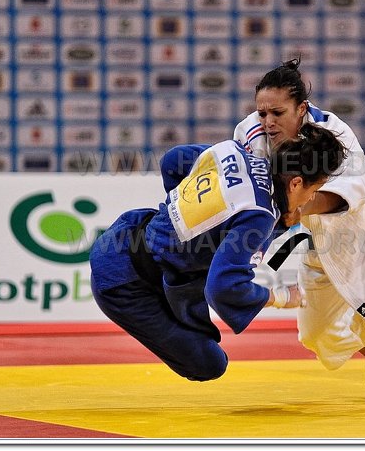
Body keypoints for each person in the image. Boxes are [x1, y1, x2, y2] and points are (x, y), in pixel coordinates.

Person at [89, 124, 347, 382]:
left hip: (127, 230)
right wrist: (281, 297)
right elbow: (223, 288)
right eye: (312, 192)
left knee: (217, 255)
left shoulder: (236, 153)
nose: (309, 201)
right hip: (122, 283)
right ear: (296, 183)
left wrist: (183, 212)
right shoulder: (260, 216)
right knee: (209, 364)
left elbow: (172, 161)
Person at [234, 58, 365, 407]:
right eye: (262, 113)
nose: (268, 122)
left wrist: (297, 209)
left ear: (301, 108)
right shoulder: (250, 132)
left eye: (277, 113)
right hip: (314, 230)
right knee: (314, 336)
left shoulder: (336, 135)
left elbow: (356, 193)